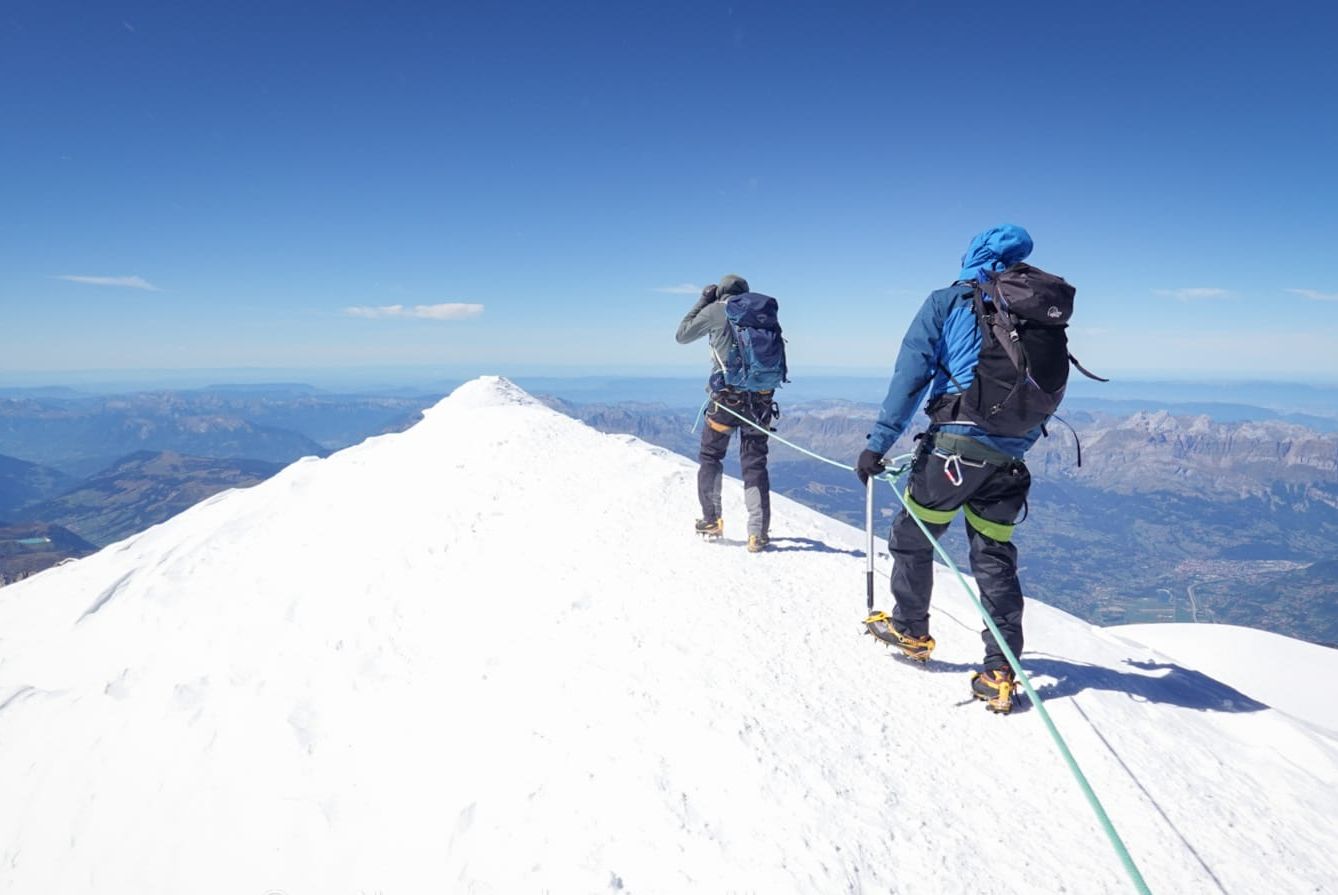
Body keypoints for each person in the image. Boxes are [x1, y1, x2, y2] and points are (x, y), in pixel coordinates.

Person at [855, 224, 1045, 713]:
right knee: (993, 554)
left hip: (957, 448)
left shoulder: (949, 300)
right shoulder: (1033, 307)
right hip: (1012, 454)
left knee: (913, 534)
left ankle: (911, 629)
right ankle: (1000, 671)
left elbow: (911, 375)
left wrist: (877, 444)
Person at [676, 274, 775, 554]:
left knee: (711, 456)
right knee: (754, 463)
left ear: (720, 292)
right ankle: (757, 534)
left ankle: (711, 520)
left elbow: (682, 335)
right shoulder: (761, 313)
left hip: (726, 401)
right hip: (761, 402)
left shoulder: (716, 310)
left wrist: (702, 300)